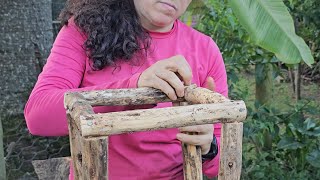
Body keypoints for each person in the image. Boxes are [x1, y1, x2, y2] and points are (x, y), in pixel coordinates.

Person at [24, 0, 228, 179]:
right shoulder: (85, 30)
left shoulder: (205, 50)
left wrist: (209, 146)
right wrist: (133, 88)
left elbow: (223, 162)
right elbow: (38, 116)